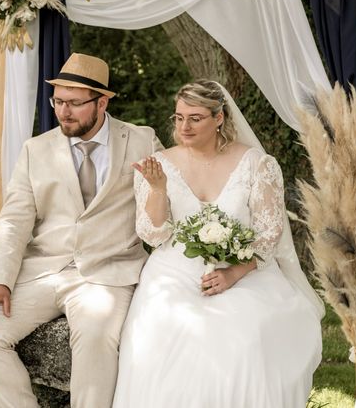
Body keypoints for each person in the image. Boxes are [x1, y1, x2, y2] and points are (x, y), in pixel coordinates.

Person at [0, 53, 163, 408]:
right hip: (43, 270)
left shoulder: (142, 141)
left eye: (74, 103)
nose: (63, 111)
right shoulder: (35, 150)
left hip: (107, 274)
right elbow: (14, 220)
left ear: (102, 102)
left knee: (96, 336)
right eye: (58, 101)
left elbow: (169, 200)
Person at [113, 80, 324, 408]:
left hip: (244, 271)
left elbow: (269, 235)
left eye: (195, 118)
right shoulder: (159, 164)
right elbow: (153, 235)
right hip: (174, 272)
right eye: (179, 117)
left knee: (245, 336)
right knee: (160, 329)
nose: (184, 126)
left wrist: (234, 272)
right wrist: (157, 189)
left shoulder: (257, 165)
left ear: (219, 118)